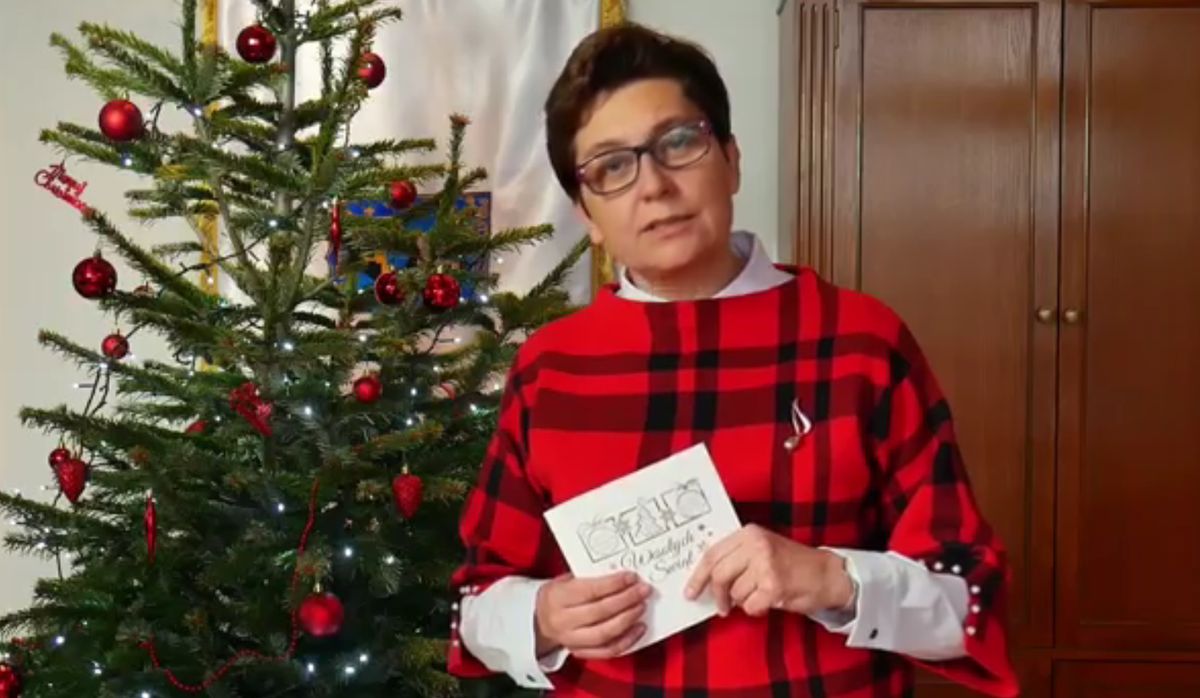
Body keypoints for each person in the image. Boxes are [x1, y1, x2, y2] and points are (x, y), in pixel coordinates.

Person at [446, 22, 1017, 698]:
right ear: (587, 216)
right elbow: (474, 606)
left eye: (678, 143)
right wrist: (540, 616)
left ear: (732, 160)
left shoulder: (863, 341)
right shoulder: (550, 369)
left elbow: (970, 602)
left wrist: (833, 580)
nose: (654, 186)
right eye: (612, 168)